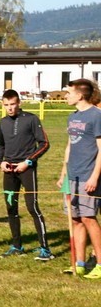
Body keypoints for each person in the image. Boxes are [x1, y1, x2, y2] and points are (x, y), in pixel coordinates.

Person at [0, 89, 53, 260]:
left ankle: (45, 249)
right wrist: (0, 162)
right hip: (10, 171)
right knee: (11, 208)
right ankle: (17, 246)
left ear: (19, 103)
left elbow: (44, 143)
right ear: (2, 105)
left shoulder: (31, 119)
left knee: (32, 207)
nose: (10, 108)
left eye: (13, 104)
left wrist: (28, 162)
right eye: (6, 105)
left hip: (27, 170)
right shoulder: (2, 122)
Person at [57, 79, 101, 278]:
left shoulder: (96, 116)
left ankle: (100, 264)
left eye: (69, 92)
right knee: (75, 219)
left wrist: (94, 177)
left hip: (87, 176)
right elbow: (70, 146)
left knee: (88, 218)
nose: (66, 96)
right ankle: (80, 263)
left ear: (80, 95)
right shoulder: (72, 116)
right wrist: (63, 173)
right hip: (72, 176)